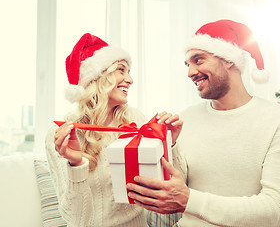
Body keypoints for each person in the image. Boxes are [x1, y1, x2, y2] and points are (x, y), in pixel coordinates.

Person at [126, 19, 280, 227]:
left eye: (198, 60)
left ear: (229, 60)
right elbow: (175, 188)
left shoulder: (279, 120)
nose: (190, 73)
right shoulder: (186, 119)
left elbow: (276, 212)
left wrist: (189, 200)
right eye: (187, 64)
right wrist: (169, 146)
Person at [45, 33, 183, 227]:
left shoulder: (135, 120)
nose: (130, 79)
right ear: (99, 76)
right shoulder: (61, 134)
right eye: (121, 70)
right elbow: (75, 218)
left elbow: (171, 191)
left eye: (129, 71)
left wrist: (169, 143)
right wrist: (76, 163)